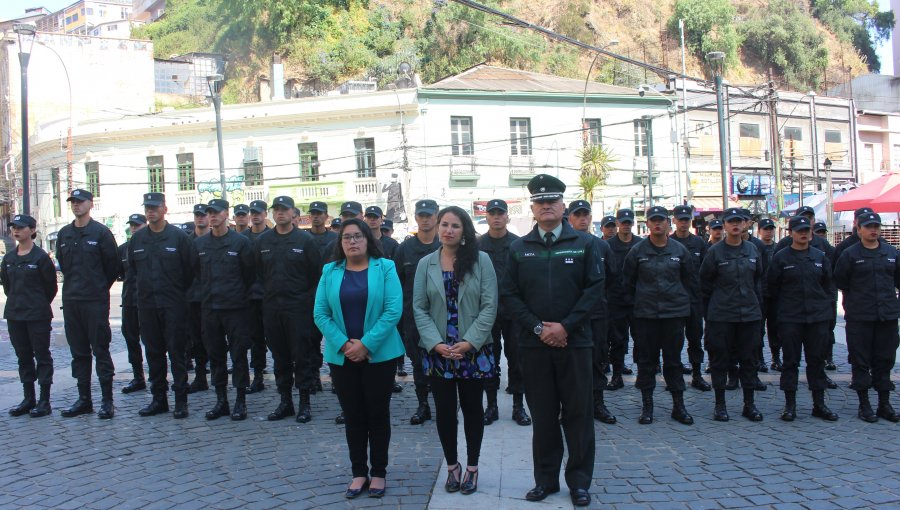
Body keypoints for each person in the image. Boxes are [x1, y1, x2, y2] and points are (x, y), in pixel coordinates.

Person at [501, 175, 603, 507]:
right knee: (543, 417)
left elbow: (594, 291)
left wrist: (566, 328)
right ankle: (545, 480)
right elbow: (511, 295)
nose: (546, 206)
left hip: (575, 344)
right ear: (532, 208)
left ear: (563, 206)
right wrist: (538, 329)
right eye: (540, 202)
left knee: (578, 415)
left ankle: (579, 482)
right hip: (534, 347)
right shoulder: (519, 249)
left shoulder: (586, 244)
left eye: (553, 201)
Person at [314, 219, 404, 499]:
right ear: (340, 243)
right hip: (343, 357)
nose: (352, 241)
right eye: (346, 237)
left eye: (357, 236)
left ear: (367, 239)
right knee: (353, 416)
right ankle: (358, 472)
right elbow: (320, 313)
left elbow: (393, 310)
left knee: (377, 414)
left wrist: (366, 344)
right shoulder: (330, 271)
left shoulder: (385, 267)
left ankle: (379, 472)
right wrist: (343, 344)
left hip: (379, 355)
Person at [414, 206, 497, 495]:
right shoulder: (426, 263)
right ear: (437, 227)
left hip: (472, 350)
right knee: (445, 412)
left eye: (455, 226)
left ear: (464, 231)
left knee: (473, 410)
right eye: (444, 224)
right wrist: (435, 343)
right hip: (438, 351)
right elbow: (419, 308)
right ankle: (452, 467)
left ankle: (472, 468)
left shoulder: (481, 260)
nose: (448, 230)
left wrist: (471, 341)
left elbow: (490, 305)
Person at [623, 206, 696, 425]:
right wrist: (634, 310)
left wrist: (686, 310)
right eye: (653, 220)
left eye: (661, 220)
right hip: (646, 316)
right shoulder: (637, 251)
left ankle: (678, 405)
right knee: (647, 362)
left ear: (668, 223)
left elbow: (690, 282)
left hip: (674, 315)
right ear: (647, 224)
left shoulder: (679, 251)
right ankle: (647, 406)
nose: (657, 224)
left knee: (673, 361)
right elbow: (627, 284)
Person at [253, 196, 323, 422]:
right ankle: (285, 402)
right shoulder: (263, 241)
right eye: (277, 209)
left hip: (298, 309)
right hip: (272, 308)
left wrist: (306, 302)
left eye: (284, 209)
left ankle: (305, 403)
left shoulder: (305, 241)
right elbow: (257, 274)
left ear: (294, 213)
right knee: (279, 356)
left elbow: (316, 276)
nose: (280, 213)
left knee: (301, 356)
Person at [128, 193, 198, 418]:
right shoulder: (138, 240)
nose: (151, 211)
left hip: (173, 304)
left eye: (155, 207)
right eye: (147, 207)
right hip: (147, 305)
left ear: (164, 209)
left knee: (177, 353)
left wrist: (177, 295)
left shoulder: (178, 237)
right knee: (153, 353)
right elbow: (133, 269)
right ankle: (159, 399)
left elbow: (191, 270)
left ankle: (180, 400)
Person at [767, 216, 838, 422]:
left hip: (817, 318)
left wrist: (824, 308)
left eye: (807, 230)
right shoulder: (781, 257)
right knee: (790, 362)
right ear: (791, 233)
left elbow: (827, 284)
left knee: (816, 361)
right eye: (799, 230)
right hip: (791, 317)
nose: (804, 233)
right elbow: (773, 288)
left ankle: (819, 404)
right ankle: (790, 405)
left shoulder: (819, 256)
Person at [56, 189, 119, 419]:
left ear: (91, 204)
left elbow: (112, 267)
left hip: (94, 301)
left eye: (80, 202)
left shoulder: (101, 233)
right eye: (73, 202)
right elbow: (63, 265)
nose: (76, 206)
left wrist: (98, 288)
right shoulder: (64, 234)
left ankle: (107, 401)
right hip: (72, 301)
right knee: (78, 353)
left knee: (100, 350)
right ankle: (84, 399)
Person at [833, 212, 900, 423]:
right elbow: (841, 280)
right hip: (860, 316)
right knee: (861, 361)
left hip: (887, 316)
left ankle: (884, 403)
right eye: (868, 226)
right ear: (859, 229)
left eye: (876, 226)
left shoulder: (891, 252)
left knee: (885, 360)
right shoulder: (850, 254)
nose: (873, 230)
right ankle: (864, 404)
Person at [699, 207, 765, 422]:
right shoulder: (714, 252)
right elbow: (705, 284)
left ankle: (749, 404)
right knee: (719, 360)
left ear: (745, 224)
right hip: (722, 315)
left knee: (749, 360)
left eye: (739, 221)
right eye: (731, 222)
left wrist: (756, 305)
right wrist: (711, 311)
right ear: (725, 225)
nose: (735, 225)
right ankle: (720, 405)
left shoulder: (754, 250)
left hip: (749, 315)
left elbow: (759, 280)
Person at [194, 199, 256, 421]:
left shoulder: (240, 243)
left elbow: (250, 275)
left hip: (236, 308)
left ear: (226, 214)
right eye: (209, 212)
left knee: (239, 355)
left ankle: (240, 400)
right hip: (210, 308)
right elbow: (196, 274)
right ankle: (221, 400)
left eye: (216, 212)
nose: (212, 216)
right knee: (215, 356)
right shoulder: (200, 245)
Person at [477, 199, 532, 426]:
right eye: (493, 213)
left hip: (514, 312)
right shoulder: (477, 246)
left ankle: (518, 407)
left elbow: (527, 280)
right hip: (487, 312)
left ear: (507, 217)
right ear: (487, 217)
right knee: (489, 360)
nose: (497, 217)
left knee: (517, 360)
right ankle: (491, 406)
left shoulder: (519, 244)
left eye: (501, 213)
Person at [2, 214, 57, 417]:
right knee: (23, 357)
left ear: (32, 231)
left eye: (21, 227)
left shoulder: (41, 257)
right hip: (15, 314)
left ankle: (44, 400)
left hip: (37, 315)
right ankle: (28, 398)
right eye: (14, 227)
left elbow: (50, 288)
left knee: (42, 356)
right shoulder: (8, 258)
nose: (16, 230)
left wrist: (37, 305)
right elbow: (7, 287)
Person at [568, 200, 617, 424]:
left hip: (597, 314)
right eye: (577, 215)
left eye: (586, 214)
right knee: (570, 362)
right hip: (569, 315)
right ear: (569, 218)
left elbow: (612, 280)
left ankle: (598, 402)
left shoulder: (603, 246)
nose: (582, 219)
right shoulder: (564, 245)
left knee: (598, 358)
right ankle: (570, 405)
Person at [395, 199, 442, 424]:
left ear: (437, 216)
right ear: (416, 217)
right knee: (418, 363)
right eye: (421, 215)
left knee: (444, 360)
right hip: (413, 316)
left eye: (429, 215)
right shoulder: (404, 249)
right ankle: (423, 405)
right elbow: (397, 284)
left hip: (442, 316)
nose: (425, 219)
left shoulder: (446, 246)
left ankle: (445, 405)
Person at [669, 205, 711, 391]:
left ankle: (697, 374)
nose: (684, 223)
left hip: (694, 299)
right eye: (681, 219)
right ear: (674, 221)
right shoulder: (667, 243)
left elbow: (708, 273)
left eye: (687, 219)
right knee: (674, 341)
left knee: (695, 339)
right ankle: (674, 376)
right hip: (674, 301)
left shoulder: (700, 244)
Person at [606, 208, 641, 390]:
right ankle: (617, 375)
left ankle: (642, 375)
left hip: (638, 301)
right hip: (616, 300)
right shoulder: (609, 245)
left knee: (641, 340)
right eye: (623, 222)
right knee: (617, 341)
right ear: (617, 223)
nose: (626, 225)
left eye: (629, 222)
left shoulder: (641, 244)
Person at [243, 200, 271, 394]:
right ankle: (258, 374)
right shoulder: (242, 238)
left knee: (278, 338)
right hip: (249, 297)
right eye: (252, 212)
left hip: (270, 296)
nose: (255, 215)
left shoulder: (271, 237)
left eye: (258, 212)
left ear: (265, 213)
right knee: (255, 338)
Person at [118, 214, 147, 394]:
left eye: (138, 225)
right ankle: (138, 377)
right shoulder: (123, 249)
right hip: (129, 300)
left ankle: (159, 378)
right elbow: (115, 272)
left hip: (149, 301)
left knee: (154, 342)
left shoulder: (150, 245)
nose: (134, 228)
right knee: (131, 340)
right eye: (132, 225)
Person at [187, 204, 210, 393]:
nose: (200, 218)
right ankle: (200, 376)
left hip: (216, 299)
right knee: (196, 341)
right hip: (193, 299)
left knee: (217, 341)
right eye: (197, 215)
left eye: (204, 215)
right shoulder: (187, 242)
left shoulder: (216, 240)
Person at [757, 218, 782, 371]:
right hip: (760, 293)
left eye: (771, 229)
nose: (768, 231)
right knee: (759, 329)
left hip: (775, 294)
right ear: (759, 231)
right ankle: (759, 358)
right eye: (765, 229)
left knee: (775, 328)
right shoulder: (756, 247)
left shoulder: (779, 248)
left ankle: (776, 357)